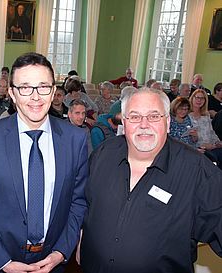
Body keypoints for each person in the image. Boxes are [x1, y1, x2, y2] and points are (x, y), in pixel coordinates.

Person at [80, 87, 222, 273]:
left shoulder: (198, 171)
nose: (144, 124)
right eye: (135, 116)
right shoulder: (103, 154)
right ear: (124, 122)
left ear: (168, 122)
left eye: (154, 116)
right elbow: (86, 205)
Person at [0, 52, 88, 273]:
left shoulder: (76, 139)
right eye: (25, 87)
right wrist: (4, 262)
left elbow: (78, 203)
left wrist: (60, 252)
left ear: (53, 91)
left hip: (51, 262)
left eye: (43, 86)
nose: (35, 96)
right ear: (12, 93)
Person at [189, 89, 222, 168]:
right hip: (198, 147)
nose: (199, 100)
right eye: (197, 97)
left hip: (211, 145)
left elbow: (211, 132)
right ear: (192, 98)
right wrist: (202, 145)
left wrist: (218, 142)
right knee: (213, 158)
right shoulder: (187, 115)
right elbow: (187, 137)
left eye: (202, 98)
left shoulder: (205, 115)